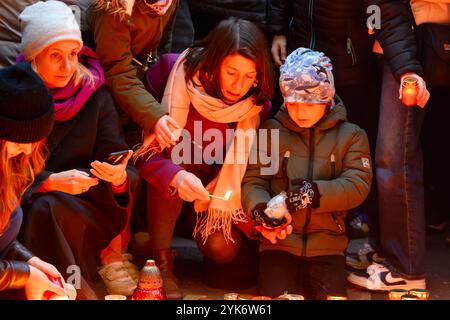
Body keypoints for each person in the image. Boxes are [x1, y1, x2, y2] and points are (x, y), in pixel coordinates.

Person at [136, 18, 274, 298]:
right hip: (166, 190)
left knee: (222, 249)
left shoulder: (258, 105)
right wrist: (175, 175)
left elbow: (258, 168)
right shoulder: (171, 71)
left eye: (250, 76)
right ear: (213, 62)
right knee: (176, 155)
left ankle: (190, 241)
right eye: (232, 72)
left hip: (214, 198)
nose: (239, 86)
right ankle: (161, 260)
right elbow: (140, 152)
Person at [16, 1, 139, 298]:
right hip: (20, 200)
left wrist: (118, 177)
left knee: (51, 209)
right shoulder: (13, 95)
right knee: (43, 208)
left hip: (84, 205)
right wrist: (47, 182)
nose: (68, 66)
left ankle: (60, 289)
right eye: (55, 56)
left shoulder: (96, 95)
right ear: (34, 57)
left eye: (73, 54)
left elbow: (120, 163)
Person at [241, 48, 373, 299]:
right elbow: (254, 180)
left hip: (328, 246)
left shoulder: (352, 136)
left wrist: (311, 194)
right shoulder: (271, 131)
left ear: (327, 98)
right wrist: (259, 209)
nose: (299, 111)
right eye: (292, 103)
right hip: (278, 245)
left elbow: (357, 185)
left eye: (308, 104)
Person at [347, 0, 430, 291]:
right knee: (387, 157)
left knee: (395, 159)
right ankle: (389, 253)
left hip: (410, 45)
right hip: (392, 44)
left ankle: (406, 270)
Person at [0, 62, 68, 300]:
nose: (28, 151)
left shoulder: (11, 164)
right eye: (18, 141)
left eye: (35, 141)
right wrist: (26, 275)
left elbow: (2, 242)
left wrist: (31, 261)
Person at [88, 0, 180, 149]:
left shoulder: (169, 3)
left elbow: (163, 46)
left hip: (138, 82)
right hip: (102, 89)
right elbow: (117, 72)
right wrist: (154, 116)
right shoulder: (113, 9)